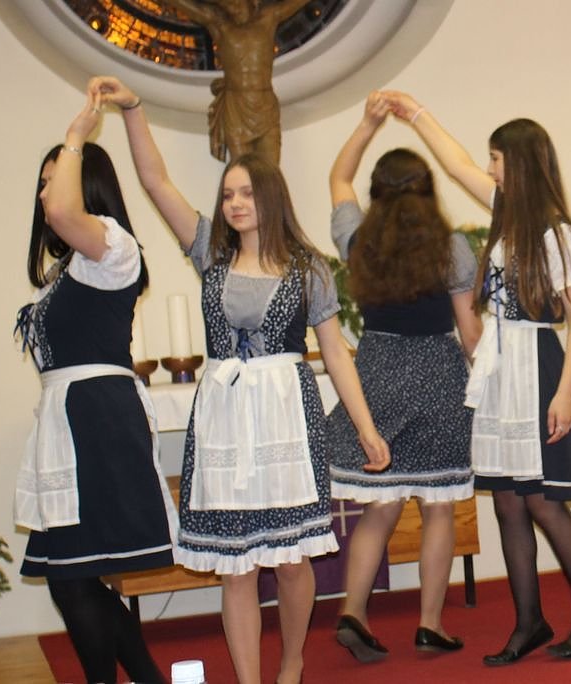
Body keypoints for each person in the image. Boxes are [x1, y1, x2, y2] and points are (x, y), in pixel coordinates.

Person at [90, 75, 390, 684]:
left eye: (247, 193)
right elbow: (155, 181)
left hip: (286, 418)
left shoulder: (309, 268)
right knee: (237, 566)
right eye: (228, 194)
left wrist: (366, 428)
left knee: (293, 561)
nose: (234, 203)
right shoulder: (210, 252)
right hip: (225, 419)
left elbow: (335, 355)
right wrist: (134, 109)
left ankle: (292, 663)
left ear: (271, 198)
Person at [384, 90, 571, 666]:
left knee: (542, 502)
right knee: (508, 503)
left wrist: (566, 392)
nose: (488, 168)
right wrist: (416, 114)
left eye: (497, 158)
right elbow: (455, 163)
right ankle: (529, 621)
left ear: (520, 162)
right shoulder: (506, 214)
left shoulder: (555, 231)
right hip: (499, 364)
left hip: (536, 362)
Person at [13, 93, 176, 684]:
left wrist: (77, 134)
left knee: (72, 575)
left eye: (54, 180)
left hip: (97, 422)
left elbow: (62, 213)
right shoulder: (68, 271)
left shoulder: (114, 248)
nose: (45, 195)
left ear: (88, 186)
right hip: (73, 422)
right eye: (42, 184)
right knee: (73, 574)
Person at [324, 92, 482, 663]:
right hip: (439, 377)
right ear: (428, 192)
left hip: (378, 374)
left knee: (381, 507)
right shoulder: (453, 249)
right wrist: (491, 384)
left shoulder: (357, 239)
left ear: (376, 195)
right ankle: (430, 624)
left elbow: (338, 176)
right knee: (439, 506)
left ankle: (353, 611)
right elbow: (470, 334)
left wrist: (367, 123)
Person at [163, 0, 311, 165]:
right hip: (236, 107)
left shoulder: (268, 18)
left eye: (235, 2)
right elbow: (188, 7)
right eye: (226, 4)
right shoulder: (219, 25)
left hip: (265, 105)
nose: (231, 6)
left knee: (271, 171)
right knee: (241, 169)